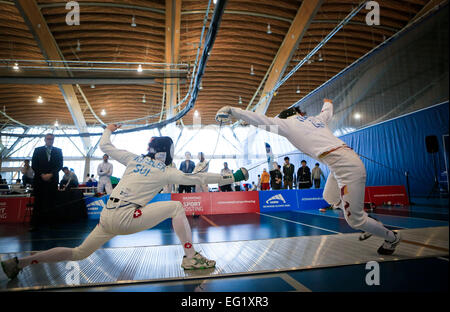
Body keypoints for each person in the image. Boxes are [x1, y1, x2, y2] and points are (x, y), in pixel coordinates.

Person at [0, 124, 249, 280]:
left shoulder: (133, 159)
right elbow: (200, 177)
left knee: (78, 253)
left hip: (108, 215)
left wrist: (109, 128)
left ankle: (18, 263)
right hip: (126, 217)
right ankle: (190, 256)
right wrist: (233, 176)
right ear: (167, 152)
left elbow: (105, 144)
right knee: (176, 206)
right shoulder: (166, 171)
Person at [216, 99, 401, 255]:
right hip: (342, 163)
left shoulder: (286, 123)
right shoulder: (315, 120)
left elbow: (258, 119)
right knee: (329, 197)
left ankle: (392, 238)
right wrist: (327, 102)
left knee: (355, 220)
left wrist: (232, 110)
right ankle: (370, 223)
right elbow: (327, 112)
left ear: (284, 117)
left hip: (346, 167)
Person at [30, 133, 63, 231]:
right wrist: (42, 175)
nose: (50, 141)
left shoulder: (58, 151)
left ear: (54, 140)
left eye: (51, 139)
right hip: (39, 180)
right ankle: (35, 225)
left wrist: (51, 174)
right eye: (48, 139)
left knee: (52, 202)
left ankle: (53, 224)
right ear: (45, 140)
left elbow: (60, 165)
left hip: (52, 180)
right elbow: (34, 165)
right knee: (38, 203)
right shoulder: (37, 150)